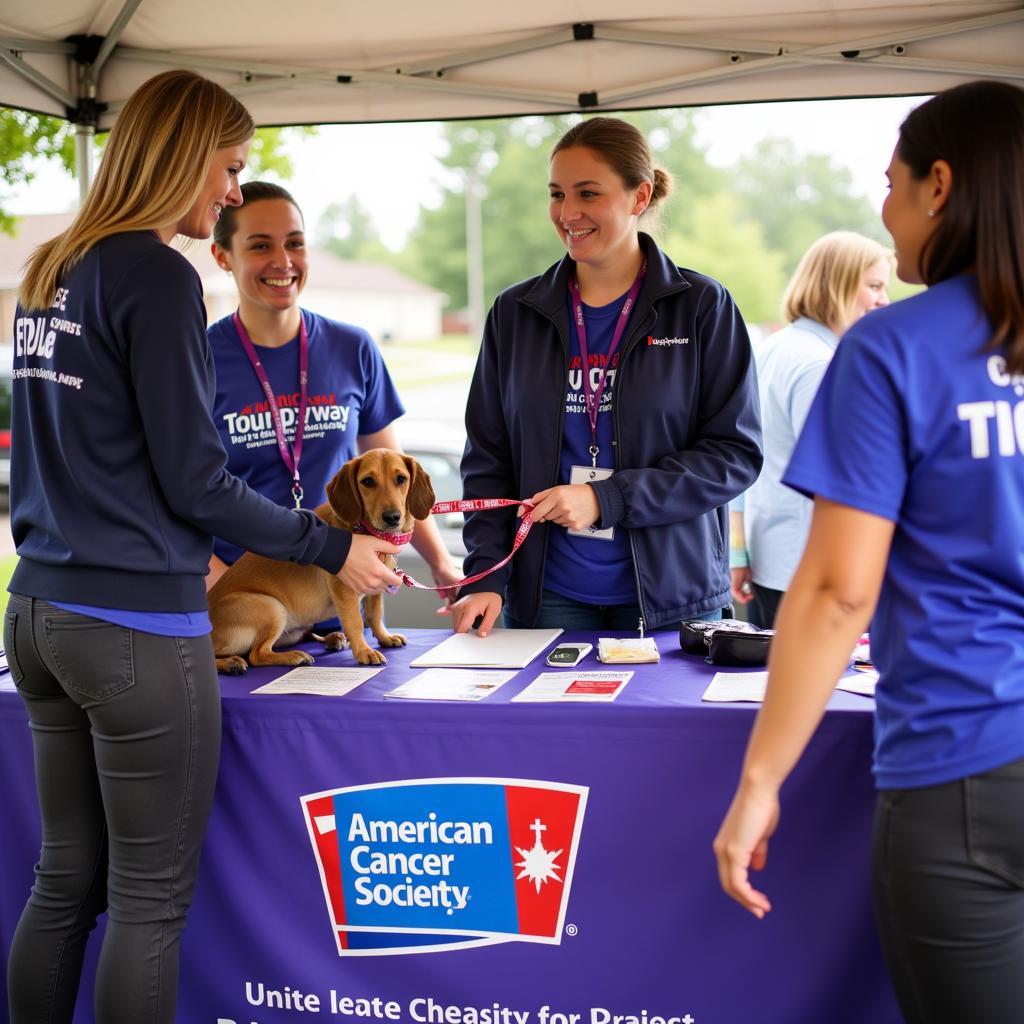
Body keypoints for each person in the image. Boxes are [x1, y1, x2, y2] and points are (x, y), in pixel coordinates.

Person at [4, 70, 400, 1024]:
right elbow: (198, 481)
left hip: (38, 610)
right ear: (181, 155)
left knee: (65, 883)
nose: (231, 193)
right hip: (132, 624)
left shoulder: (55, 264)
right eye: (228, 169)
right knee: (148, 902)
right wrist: (328, 543)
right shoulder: (153, 274)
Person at [714, 80, 1024, 1023]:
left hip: (964, 761)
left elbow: (840, 591)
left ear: (941, 186)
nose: (883, 214)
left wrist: (759, 783)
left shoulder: (894, 348)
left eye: (888, 184)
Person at [445, 116, 762, 636]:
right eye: (556, 194)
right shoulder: (514, 313)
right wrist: (485, 572)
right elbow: (489, 458)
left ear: (639, 197)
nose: (568, 213)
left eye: (588, 194)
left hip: (672, 600)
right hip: (548, 595)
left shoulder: (702, 306)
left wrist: (605, 499)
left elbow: (733, 455)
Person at [206, 180, 460, 595]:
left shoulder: (351, 347)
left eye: (295, 243)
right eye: (259, 246)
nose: (283, 261)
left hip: (340, 593)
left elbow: (397, 475)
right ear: (223, 256)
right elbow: (175, 501)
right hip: (251, 605)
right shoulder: (199, 359)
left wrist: (441, 564)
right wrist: (227, 593)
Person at [729, 232, 892, 628]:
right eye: (873, 286)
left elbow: (739, 458)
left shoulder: (775, 348)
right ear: (838, 284)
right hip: (817, 568)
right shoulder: (820, 364)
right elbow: (841, 478)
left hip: (773, 559)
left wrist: (738, 553)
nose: (883, 300)